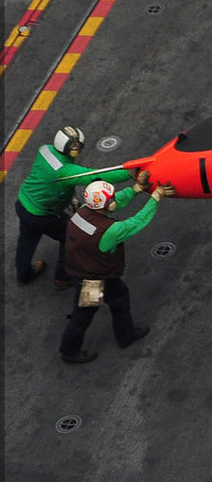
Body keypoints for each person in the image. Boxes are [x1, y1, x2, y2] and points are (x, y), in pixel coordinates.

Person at [57, 176, 174, 364]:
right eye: (111, 199)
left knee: (119, 297)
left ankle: (126, 334)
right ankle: (69, 351)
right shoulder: (109, 230)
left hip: (80, 269)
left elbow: (113, 203)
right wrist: (155, 198)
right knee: (83, 316)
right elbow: (136, 222)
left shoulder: (82, 211)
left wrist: (135, 189)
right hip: (94, 280)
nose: (114, 200)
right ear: (104, 204)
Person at [12, 126, 133, 287]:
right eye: (75, 146)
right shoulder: (66, 170)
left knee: (26, 241)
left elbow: (58, 183)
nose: (77, 149)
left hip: (24, 203)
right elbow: (94, 176)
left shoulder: (45, 150)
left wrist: (72, 198)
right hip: (44, 214)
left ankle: (23, 275)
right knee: (69, 236)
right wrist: (129, 173)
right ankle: (61, 277)